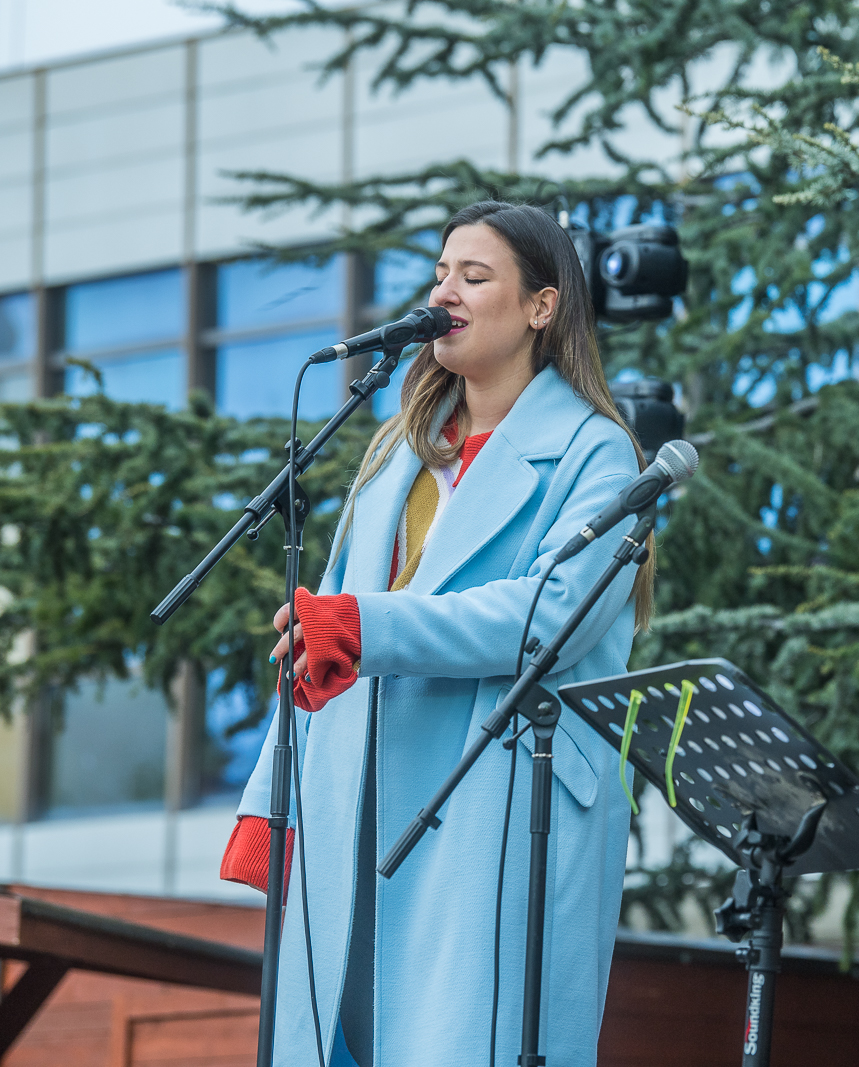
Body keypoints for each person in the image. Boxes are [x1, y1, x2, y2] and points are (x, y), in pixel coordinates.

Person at [219, 201, 651, 1067]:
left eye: (474, 276)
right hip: (357, 801)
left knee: (461, 1038)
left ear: (542, 306)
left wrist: (361, 626)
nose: (444, 291)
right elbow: (319, 630)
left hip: (496, 802)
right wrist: (271, 803)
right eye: (441, 272)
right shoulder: (397, 453)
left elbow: (546, 617)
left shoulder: (596, 452)